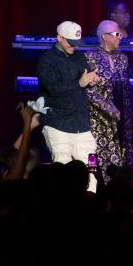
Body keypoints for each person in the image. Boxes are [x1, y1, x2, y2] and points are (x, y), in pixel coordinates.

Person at [85, 20, 133, 182]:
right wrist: (109, 108)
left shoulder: (122, 59)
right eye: (116, 34)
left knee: (124, 161)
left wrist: (132, 121)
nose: (120, 37)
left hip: (120, 120)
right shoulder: (90, 57)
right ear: (104, 36)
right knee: (96, 160)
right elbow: (88, 92)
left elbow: (126, 91)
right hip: (98, 121)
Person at [36, 21, 99, 165]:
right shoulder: (47, 60)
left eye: (76, 42)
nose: (74, 45)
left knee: (91, 168)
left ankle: (90, 188)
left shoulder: (79, 57)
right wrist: (79, 83)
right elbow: (53, 89)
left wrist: (91, 80)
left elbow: (85, 79)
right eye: (70, 42)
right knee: (62, 167)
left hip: (82, 125)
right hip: (57, 124)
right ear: (59, 37)